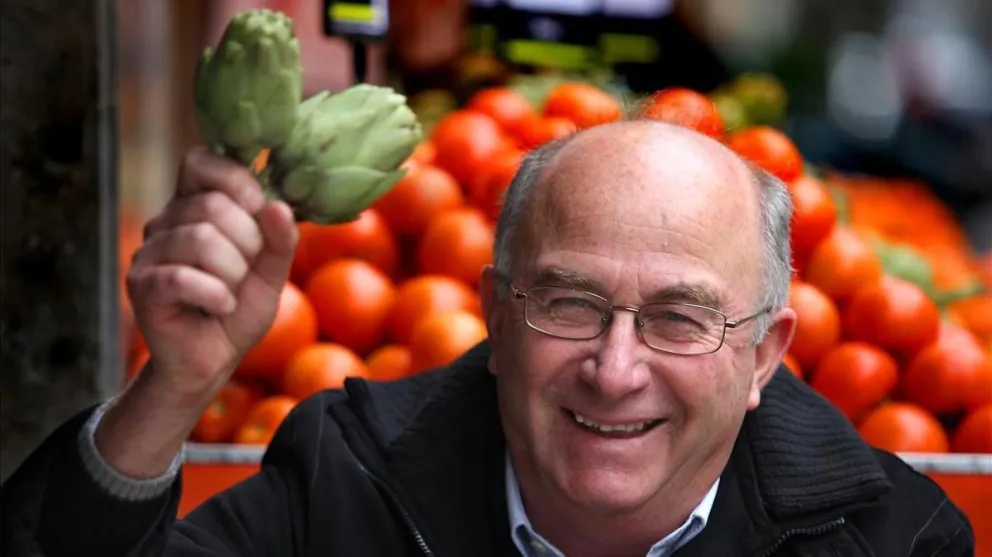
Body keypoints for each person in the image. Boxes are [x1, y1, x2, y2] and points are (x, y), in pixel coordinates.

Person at [0, 118, 974, 557]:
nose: (614, 367)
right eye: (568, 302)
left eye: (678, 316)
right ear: (497, 317)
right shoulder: (342, 477)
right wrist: (174, 385)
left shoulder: (890, 538)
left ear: (763, 351)